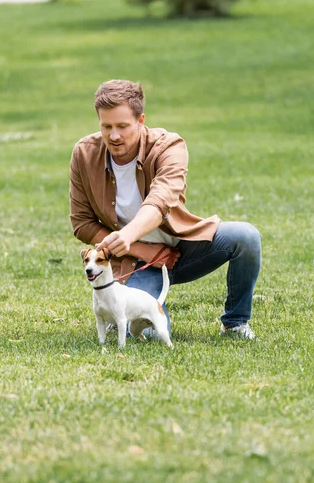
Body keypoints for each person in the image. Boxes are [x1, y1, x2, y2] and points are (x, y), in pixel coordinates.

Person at [69, 79, 261, 340]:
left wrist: (126, 236)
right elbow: (81, 223)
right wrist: (142, 249)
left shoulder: (169, 146)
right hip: (136, 263)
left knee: (246, 237)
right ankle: (121, 317)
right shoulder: (84, 153)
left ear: (141, 120)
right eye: (106, 126)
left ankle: (236, 323)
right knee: (154, 336)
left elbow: (161, 200)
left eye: (123, 126)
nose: (114, 136)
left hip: (185, 249)